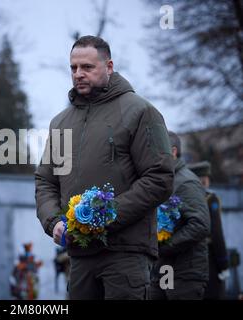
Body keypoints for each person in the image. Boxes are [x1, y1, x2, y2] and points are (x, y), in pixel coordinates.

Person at [35, 35, 174, 300]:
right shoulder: (60, 123)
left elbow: (160, 178)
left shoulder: (141, 112)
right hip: (79, 255)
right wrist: (53, 220)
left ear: (108, 67)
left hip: (125, 254)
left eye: (87, 67)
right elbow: (46, 181)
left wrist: (104, 216)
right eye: (74, 68)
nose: (79, 74)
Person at [150, 132, 210, 300]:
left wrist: (165, 246)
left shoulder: (186, 182)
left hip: (185, 273)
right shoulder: (162, 181)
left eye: (157, 151)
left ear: (173, 152)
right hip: (162, 270)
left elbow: (200, 225)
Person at [189, 161, 230, 299]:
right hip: (209, 260)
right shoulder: (211, 199)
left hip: (188, 261)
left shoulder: (184, 198)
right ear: (205, 180)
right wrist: (224, 263)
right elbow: (217, 233)